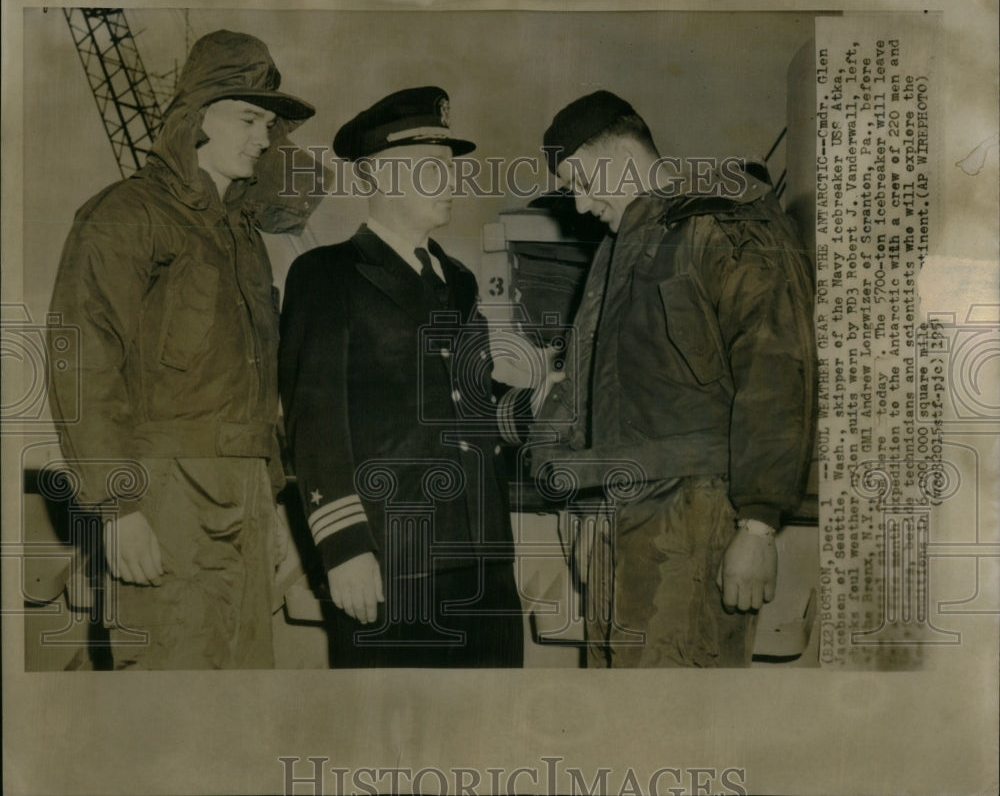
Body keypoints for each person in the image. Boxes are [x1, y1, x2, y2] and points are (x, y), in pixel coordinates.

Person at [510, 90, 815, 667]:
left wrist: (758, 526)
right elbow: (579, 382)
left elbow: (778, 373)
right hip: (613, 521)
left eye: (579, 180)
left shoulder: (728, 224)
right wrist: (572, 487)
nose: (578, 204)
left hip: (691, 522)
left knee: (674, 715)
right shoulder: (615, 250)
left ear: (621, 154)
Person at [48, 30, 317, 669]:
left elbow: (255, 390)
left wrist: (270, 498)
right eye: (248, 118)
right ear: (196, 117)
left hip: (244, 493)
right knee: (171, 705)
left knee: (244, 696)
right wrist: (116, 509)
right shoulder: (125, 214)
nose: (263, 137)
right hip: (165, 495)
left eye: (270, 124)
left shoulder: (243, 236)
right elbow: (82, 361)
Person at [279, 87, 527, 667]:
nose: (451, 183)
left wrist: (539, 405)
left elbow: (472, 400)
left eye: (450, 168)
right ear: (377, 177)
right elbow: (315, 422)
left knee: (490, 737)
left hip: (484, 557)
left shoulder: (460, 281)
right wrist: (344, 550)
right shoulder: (325, 276)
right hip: (391, 560)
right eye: (430, 169)